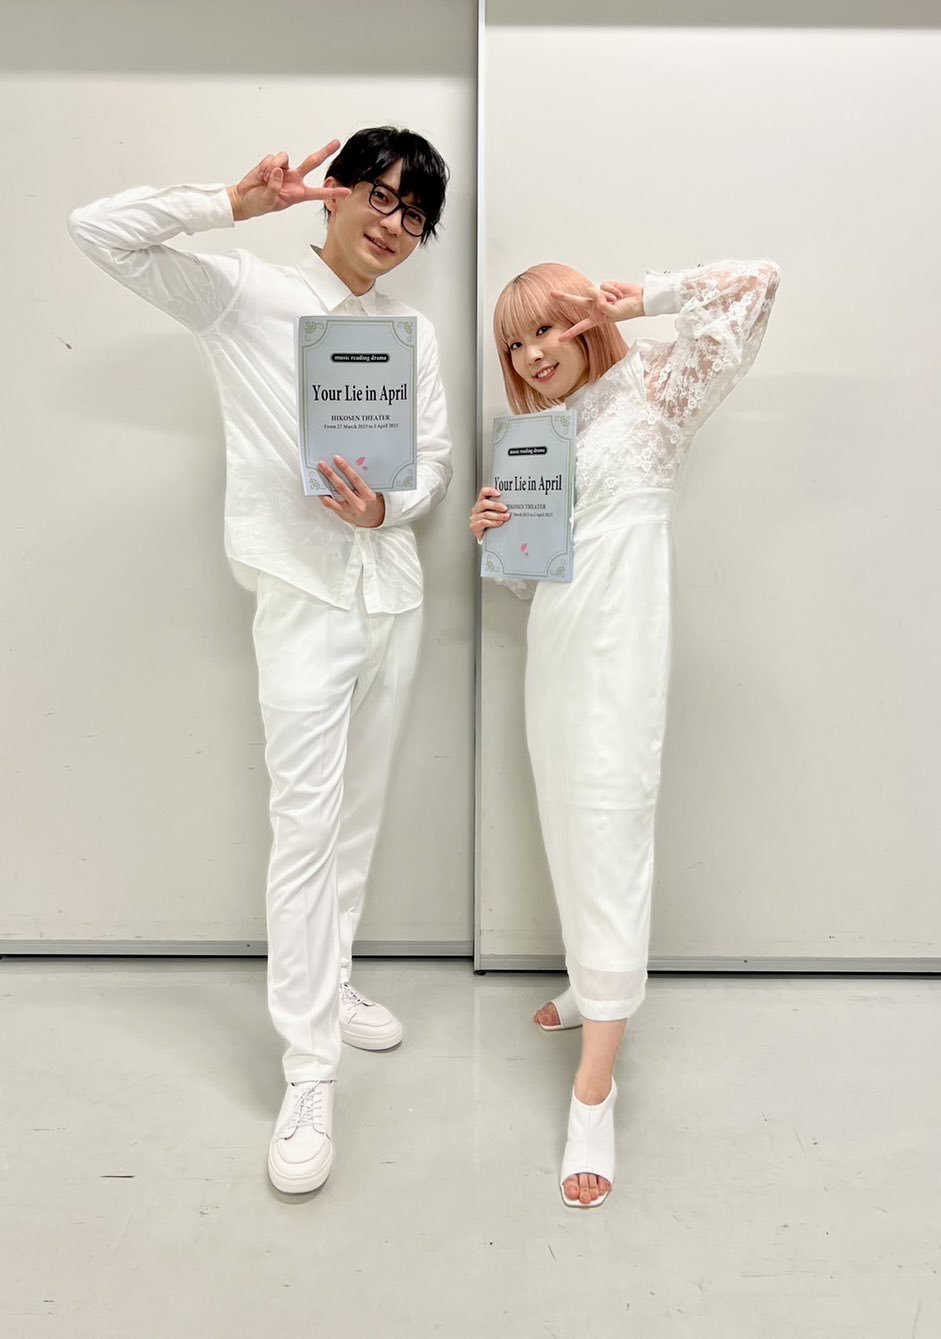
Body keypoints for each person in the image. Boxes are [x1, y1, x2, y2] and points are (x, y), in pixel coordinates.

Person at [69, 127, 453, 1194]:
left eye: (416, 214)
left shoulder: (411, 329)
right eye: (382, 196)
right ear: (335, 192)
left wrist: (389, 507)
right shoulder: (244, 293)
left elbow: (431, 456)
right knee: (304, 830)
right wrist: (229, 205)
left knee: (357, 818)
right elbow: (98, 231)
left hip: (391, 593)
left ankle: (333, 980)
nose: (395, 224)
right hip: (300, 599)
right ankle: (308, 1068)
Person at [471, 257, 779, 1208]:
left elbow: (756, 284)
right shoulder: (538, 437)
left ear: (582, 320)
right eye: (513, 344)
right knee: (568, 826)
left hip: (622, 657)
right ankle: (589, 983)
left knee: (610, 832)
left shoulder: (654, 387)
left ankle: (594, 1091)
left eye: (544, 328)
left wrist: (641, 298)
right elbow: (529, 582)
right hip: (556, 654)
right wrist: (496, 534)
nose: (531, 354)